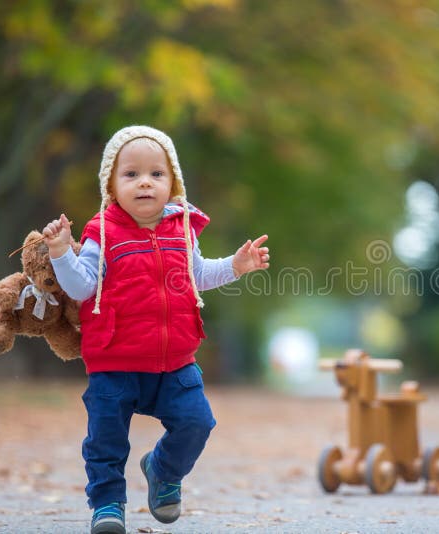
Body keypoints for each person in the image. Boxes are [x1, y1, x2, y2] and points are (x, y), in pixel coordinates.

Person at [42, 125, 270, 534]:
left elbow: (198, 275)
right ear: (111, 184)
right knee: (106, 441)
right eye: (131, 174)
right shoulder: (102, 232)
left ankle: (162, 471)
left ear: (173, 183)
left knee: (198, 423)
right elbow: (82, 286)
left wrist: (235, 267)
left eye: (156, 174)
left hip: (175, 362)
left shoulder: (183, 228)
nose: (145, 182)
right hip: (114, 360)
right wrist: (61, 253)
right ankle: (108, 505)